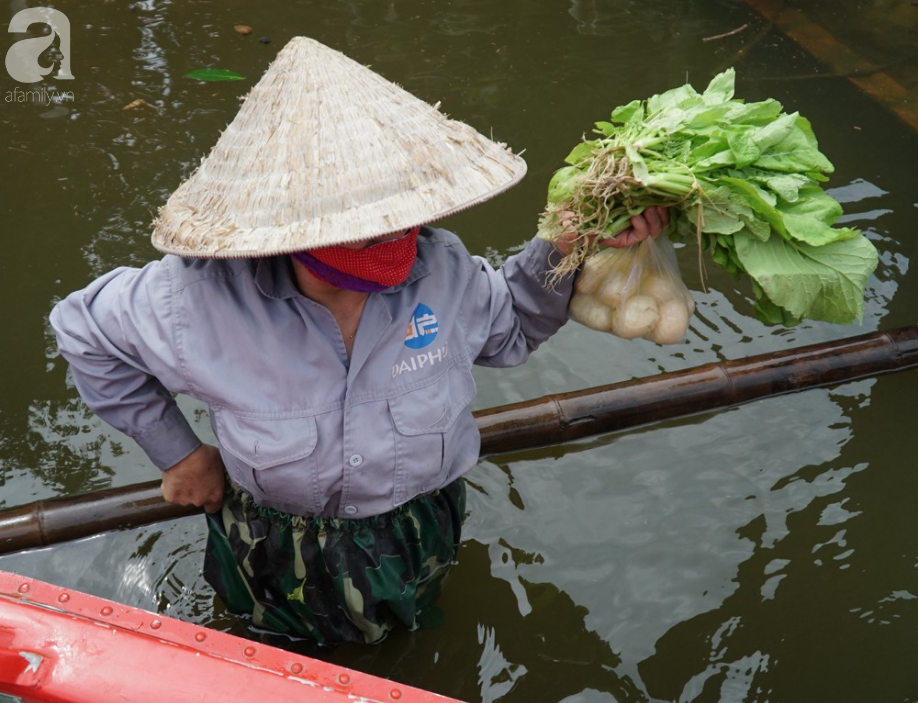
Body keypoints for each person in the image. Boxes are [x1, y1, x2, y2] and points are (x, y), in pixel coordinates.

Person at [50, 37, 667, 645]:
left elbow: (509, 328)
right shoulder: (192, 298)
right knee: (263, 644)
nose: (386, 245)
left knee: (415, 640)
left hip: (418, 529)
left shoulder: (443, 268)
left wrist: (565, 246)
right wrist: (179, 454)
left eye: (392, 223)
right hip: (273, 542)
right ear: (284, 230)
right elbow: (83, 331)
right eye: (356, 235)